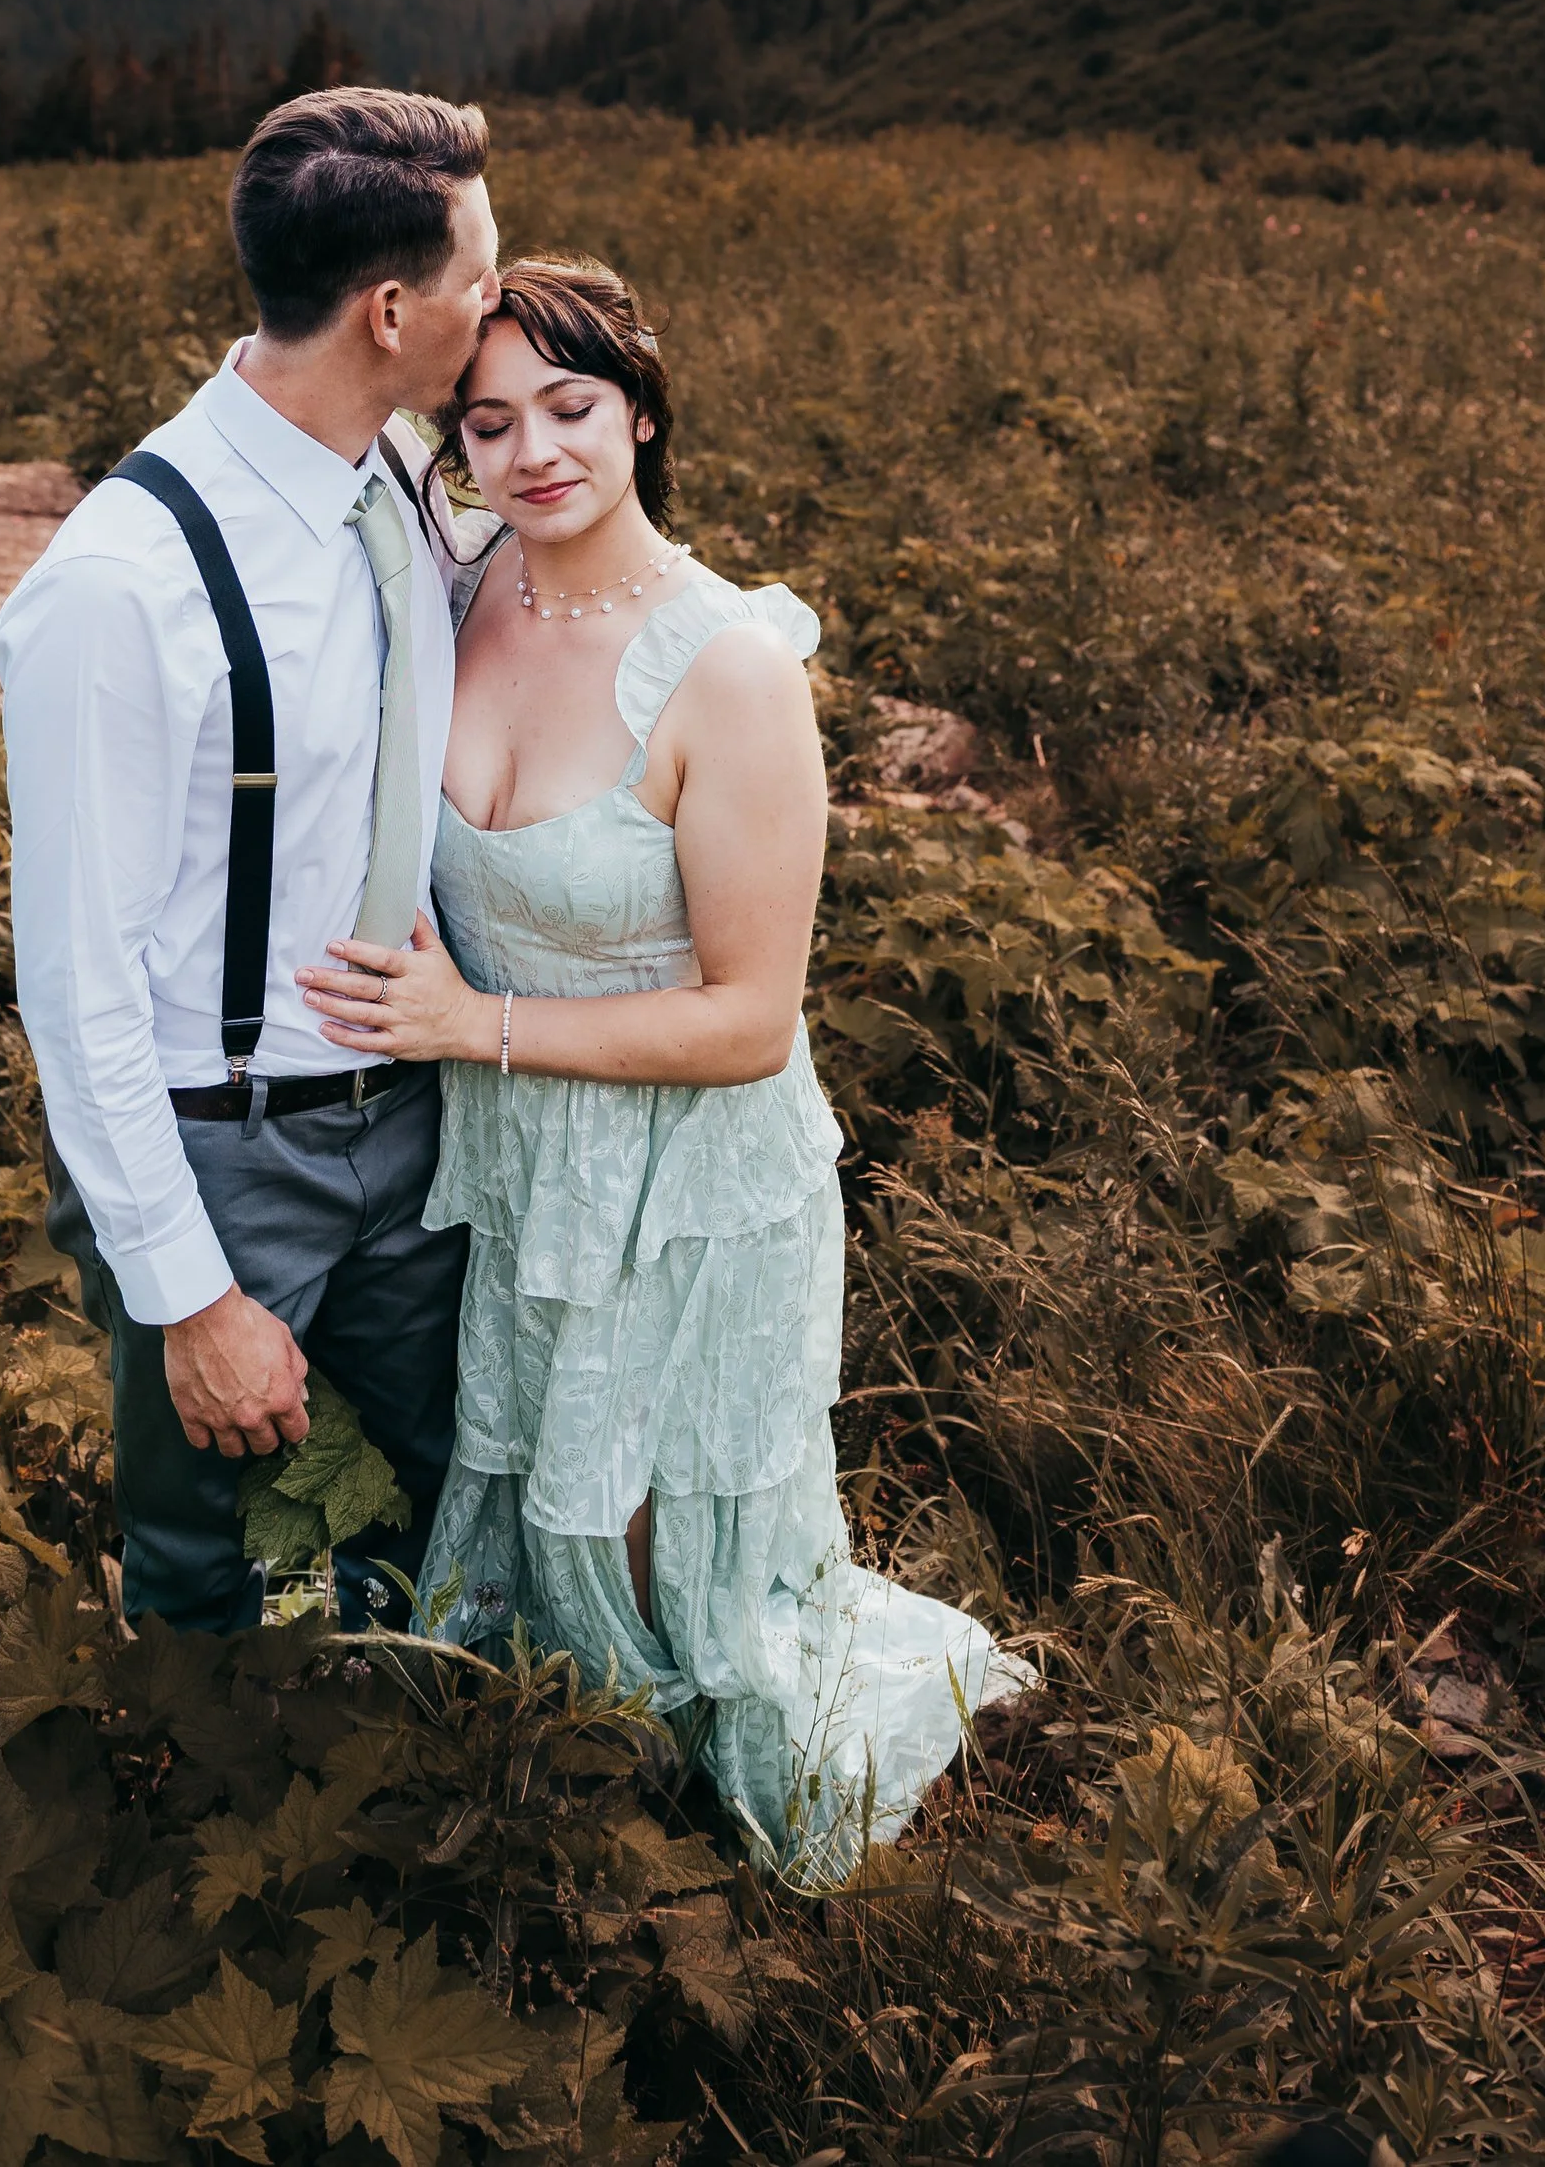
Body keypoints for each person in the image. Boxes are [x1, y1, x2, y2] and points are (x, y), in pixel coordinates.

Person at [296, 255, 1025, 1877]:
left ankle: (675, 1856)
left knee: (652, 1564)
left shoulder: (732, 670)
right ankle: (561, 1800)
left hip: (684, 1176)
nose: (532, 450)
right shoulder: (459, 586)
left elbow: (751, 1017)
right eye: (488, 422)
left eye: (569, 405)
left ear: (639, 408)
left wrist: (469, 1025)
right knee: (544, 1527)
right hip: (514, 1163)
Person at [0, 84, 499, 1635]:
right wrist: (194, 1297)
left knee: (420, 1500)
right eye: (484, 271)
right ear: (393, 308)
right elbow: (77, 987)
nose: (501, 294)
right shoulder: (119, 587)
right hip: (227, 1157)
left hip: (412, 1133)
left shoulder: (398, 474)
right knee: (216, 1559)